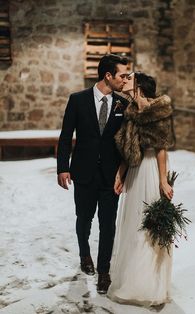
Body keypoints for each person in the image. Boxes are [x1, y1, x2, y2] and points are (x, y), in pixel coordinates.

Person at [57, 54, 129, 294]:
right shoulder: (77, 100)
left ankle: (104, 270)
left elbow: (126, 142)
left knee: (107, 224)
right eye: (122, 75)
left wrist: (123, 172)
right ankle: (84, 254)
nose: (125, 79)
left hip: (111, 177)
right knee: (84, 219)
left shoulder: (123, 104)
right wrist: (62, 168)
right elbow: (66, 136)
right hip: (83, 172)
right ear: (108, 75)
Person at [107, 72, 175, 306]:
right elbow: (129, 148)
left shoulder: (157, 109)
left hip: (150, 171)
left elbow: (161, 148)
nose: (124, 79)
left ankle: (150, 284)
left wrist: (163, 180)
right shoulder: (131, 111)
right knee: (134, 224)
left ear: (139, 86)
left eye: (129, 78)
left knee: (148, 226)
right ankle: (133, 279)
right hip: (135, 171)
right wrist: (120, 173)